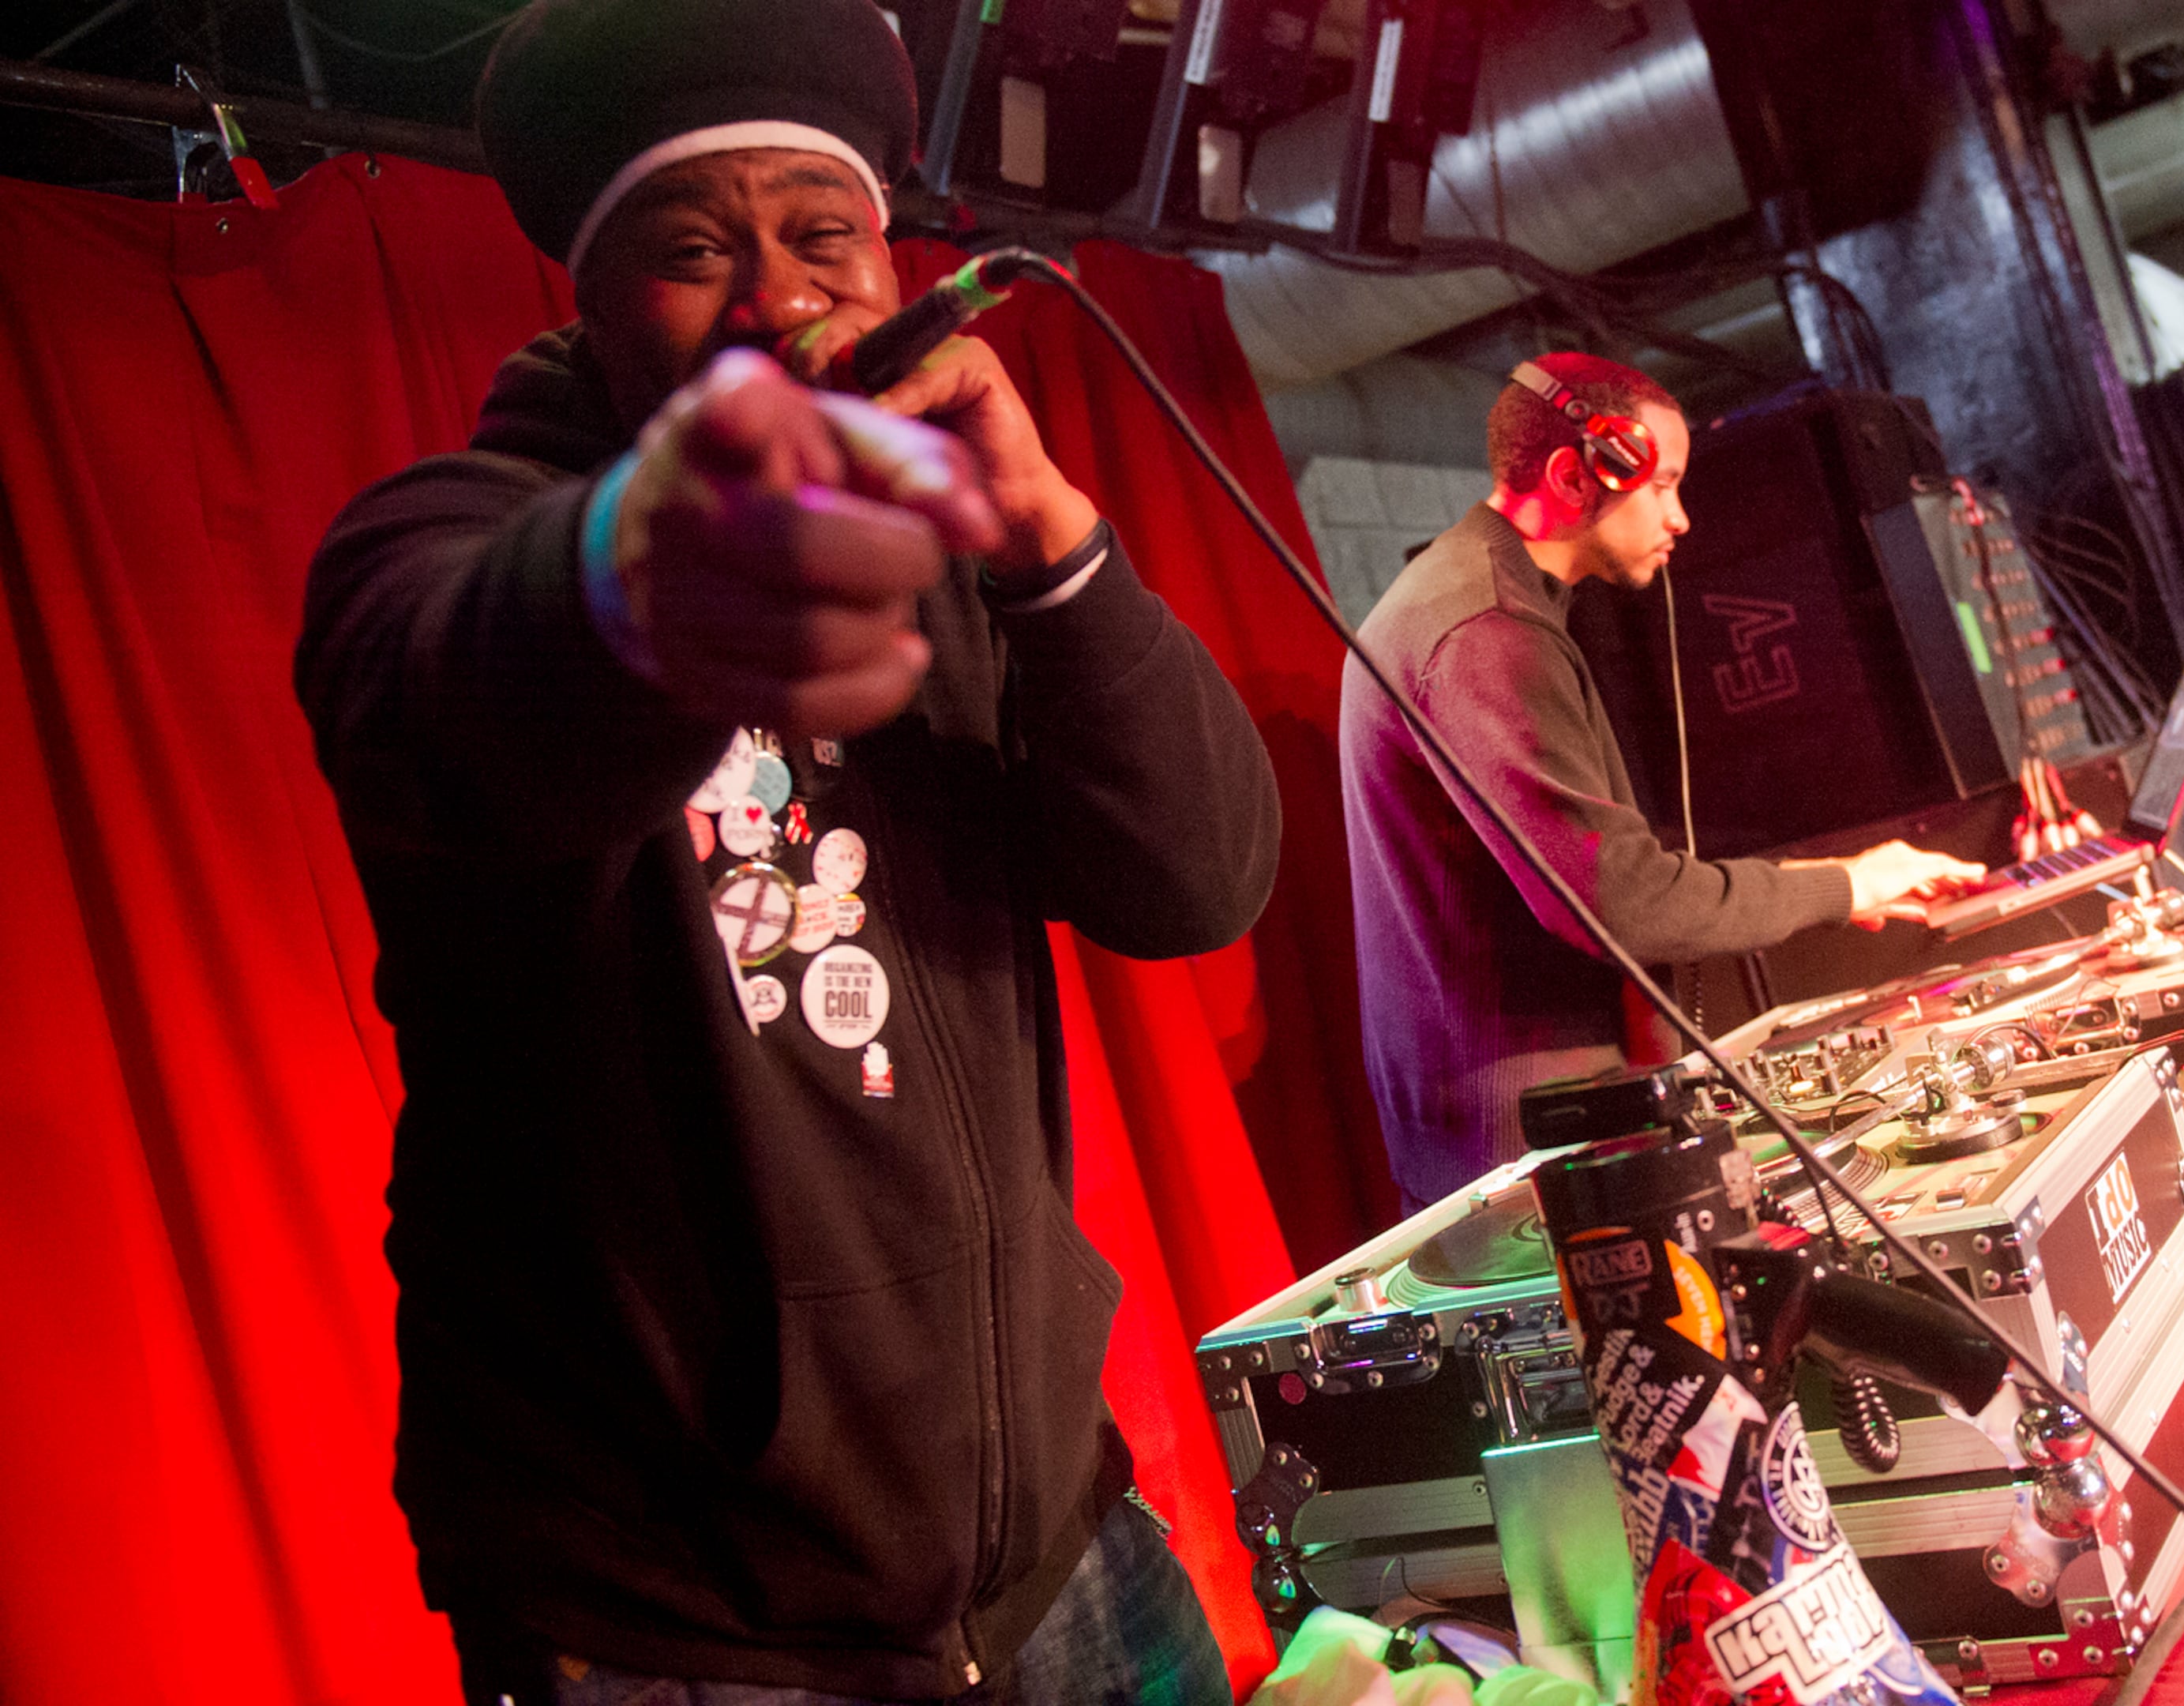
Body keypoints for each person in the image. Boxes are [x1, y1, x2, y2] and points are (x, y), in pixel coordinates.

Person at [293, 2, 1278, 1701]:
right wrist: (656, 581)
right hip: (690, 1639)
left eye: (823, 236)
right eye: (693, 248)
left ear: (898, 276)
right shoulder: (440, 547)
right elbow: (468, 693)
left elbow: (1195, 878)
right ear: (588, 302)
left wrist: (1049, 542)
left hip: (1062, 1563)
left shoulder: (962, 552)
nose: (776, 292)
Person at [1340, 354, 1986, 1209]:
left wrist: (1829, 888)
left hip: (1516, 1125)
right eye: (1665, 485)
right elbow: (1621, 898)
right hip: (1523, 1150)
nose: (1681, 518)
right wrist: (1844, 883)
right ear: (1579, 474)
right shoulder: (1488, 632)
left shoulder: (1479, 601)